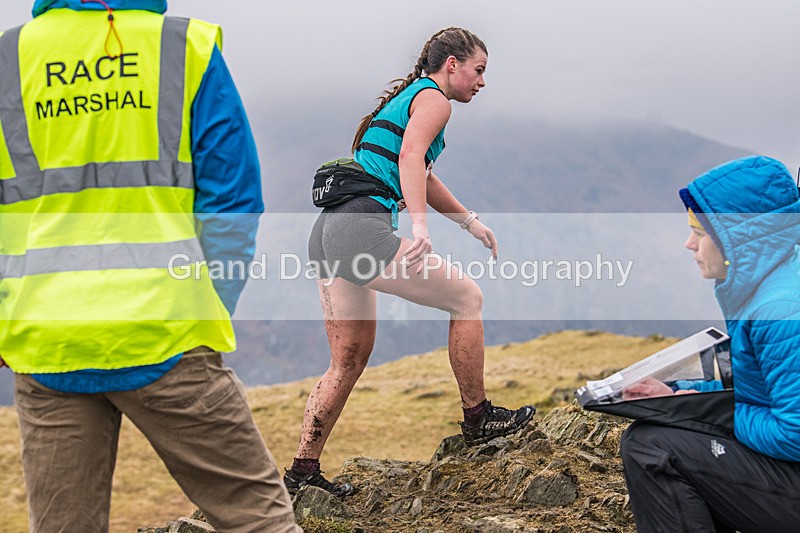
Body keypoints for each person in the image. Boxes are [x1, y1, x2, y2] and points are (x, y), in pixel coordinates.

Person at [0, 2, 300, 532]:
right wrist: (210, 304)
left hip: (48, 339)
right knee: (259, 519)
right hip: (168, 330)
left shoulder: (9, 57)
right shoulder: (184, 47)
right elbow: (232, 201)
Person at [284, 27, 535, 497]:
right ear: (453, 65)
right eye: (479, 71)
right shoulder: (434, 99)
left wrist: (469, 222)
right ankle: (478, 417)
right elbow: (410, 156)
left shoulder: (408, 100)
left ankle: (302, 472)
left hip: (328, 233)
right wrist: (419, 228)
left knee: (348, 359)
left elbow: (419, 171)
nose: (482, 82)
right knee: (467, 298)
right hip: (361, 229)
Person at [619, 155, 800, 532]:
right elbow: (759, 391)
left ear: (739, 242)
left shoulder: (780, 310)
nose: (689, 244)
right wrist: (675, 393)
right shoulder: (771, 283)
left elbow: (794, 434)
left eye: (700, 234)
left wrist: (712, 416)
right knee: (651, 435)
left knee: (652, 448)